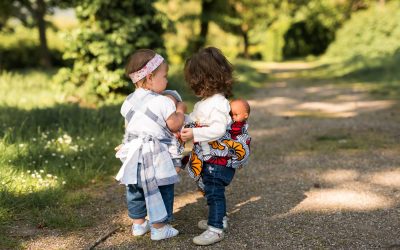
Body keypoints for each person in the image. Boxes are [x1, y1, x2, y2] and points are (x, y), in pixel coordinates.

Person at [115, 49, 187, 241]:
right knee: (161, 188)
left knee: (135, 189)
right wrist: (180, 109)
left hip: (135, 154)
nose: (167, 81)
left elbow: (129, 129)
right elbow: (174, 125)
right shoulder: (164, 102)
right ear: (150, 77)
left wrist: (124, 145)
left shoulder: (128, 101)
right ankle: (159, 227)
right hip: (157, 156)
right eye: (165, 76)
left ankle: (138, 225)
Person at [180, 47, 240, 246]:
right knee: (208, 189)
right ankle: (219, 219)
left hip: (217, 159)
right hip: (208, 158)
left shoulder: (219, 103)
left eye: (193, 82)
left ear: (202, 80)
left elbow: (218, 129)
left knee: (214, 192)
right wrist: (181, 120)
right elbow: (194, 120)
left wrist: (195, 133)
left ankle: (215, 229)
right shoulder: (205, 103)